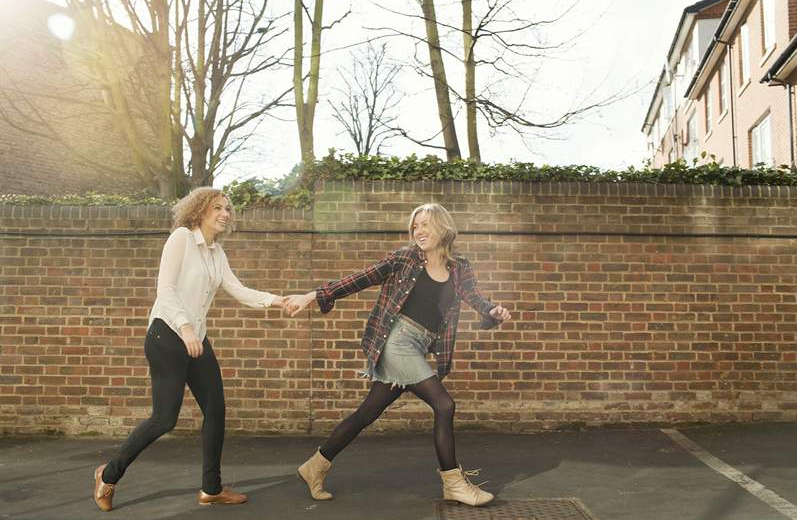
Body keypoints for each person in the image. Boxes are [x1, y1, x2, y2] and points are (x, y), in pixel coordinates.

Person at [285, 203, 511, 507]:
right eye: (415, 226)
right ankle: (453, 483)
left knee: (367, 412)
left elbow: (475, 298)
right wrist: (313, 296)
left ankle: (315, 466)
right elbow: (361, 278)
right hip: (396, 341)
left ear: (443, 227)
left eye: (425, 224)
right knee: (444, 404)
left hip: (419, 345)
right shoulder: (404, 259)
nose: (418, 231)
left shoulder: (460, 267)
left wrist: (491, 310)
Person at [93, 187, 286, 511]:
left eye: (227, 209)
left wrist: (277, 301)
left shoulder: (216, 252)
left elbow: (238, 290)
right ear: (199, 211)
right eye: (217, 208)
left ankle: (211, 488)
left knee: (216, 409)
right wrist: (184, 327)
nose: (225, 213)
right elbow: (165, 289)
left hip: (196, 337)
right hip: (167, 336)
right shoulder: (181, 238)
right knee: (164, 419)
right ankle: (108, 474)